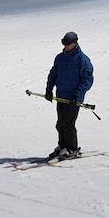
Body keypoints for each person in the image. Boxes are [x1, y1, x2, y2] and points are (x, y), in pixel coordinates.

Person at [44, 32, 94, 160]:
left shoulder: (82, 60)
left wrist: (78, 95)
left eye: (67, 43)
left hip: (73, 99)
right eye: (63, 43)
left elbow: (87, 80)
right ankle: (62, 147)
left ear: (75, 43)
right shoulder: (60, 58)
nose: (65, 46)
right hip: (61, 96)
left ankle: (72, 148)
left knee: (68, 124)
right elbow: (53, 74)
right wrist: (49, 90)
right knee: (60, 124)